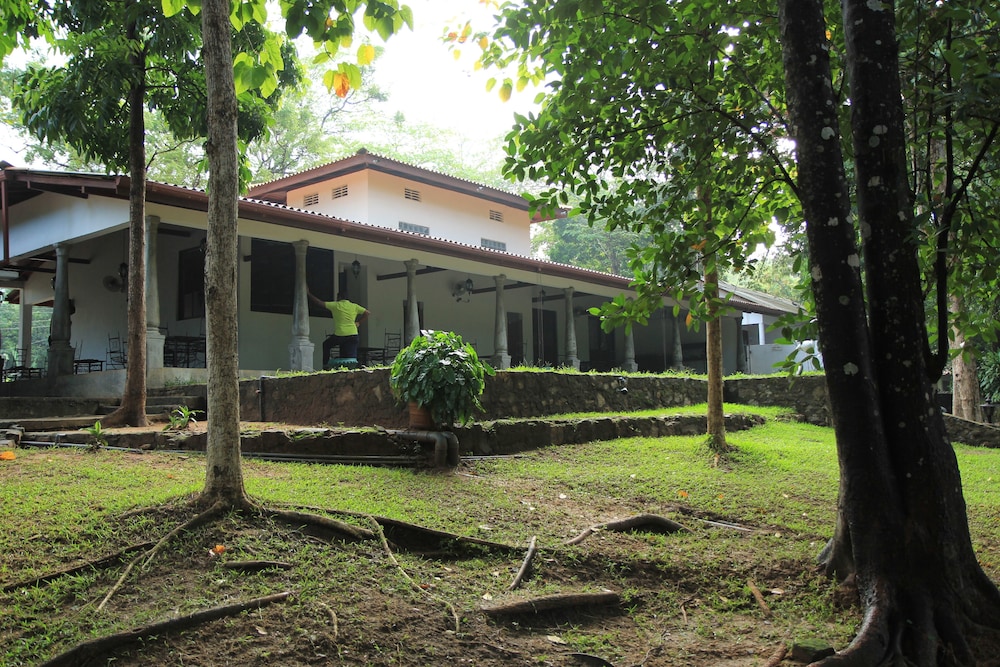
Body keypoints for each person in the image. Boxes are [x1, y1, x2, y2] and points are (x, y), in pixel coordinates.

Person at [307, 287, 370, 368]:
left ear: (339, 297)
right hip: (353, 335)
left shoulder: (336, 305)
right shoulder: (354, 306)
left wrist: (309, 294)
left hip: (340, 335)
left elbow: (320, 303)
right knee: (351, 359)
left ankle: (325, 365)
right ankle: (358, 367)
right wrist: (358, 322)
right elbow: (367, 313)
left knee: (326, 344)